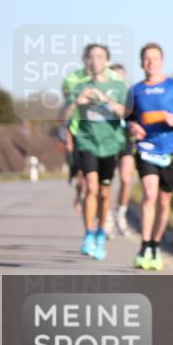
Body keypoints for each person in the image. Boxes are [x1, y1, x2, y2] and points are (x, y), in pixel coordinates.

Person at [126, 43, 173, 271]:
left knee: (164, 200)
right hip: (146, 148)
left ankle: (156, 245)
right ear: (141, 63)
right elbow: (127, 119)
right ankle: (144, 246)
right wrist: (132, 127)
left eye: (155, 58)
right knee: (149, 195)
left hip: (170, 150)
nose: (151, 62)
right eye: (147, 59)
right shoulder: (135, 91)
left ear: (162, 62)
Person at [61, 44, 129, 261]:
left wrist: (105, 100)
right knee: (91, 187)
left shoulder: (119, 86)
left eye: (100, 57)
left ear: (107, 61)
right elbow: (63, 115)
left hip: (110, 145)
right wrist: (76, 103)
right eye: (91, 57)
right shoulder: (80, 87)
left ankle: (101, 233)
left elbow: (127, 112)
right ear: (85, 61)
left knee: (104, 192)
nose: (95, 61)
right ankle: (88, 234)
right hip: (87, 142)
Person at [109, 63, 135, 237]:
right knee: (107, 182)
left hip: (125, 139)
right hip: (108, 140)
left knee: (126, 178)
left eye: (121, 76)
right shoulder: (103, 95)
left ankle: (121, 214)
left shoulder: (131, 96)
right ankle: (106, 218)